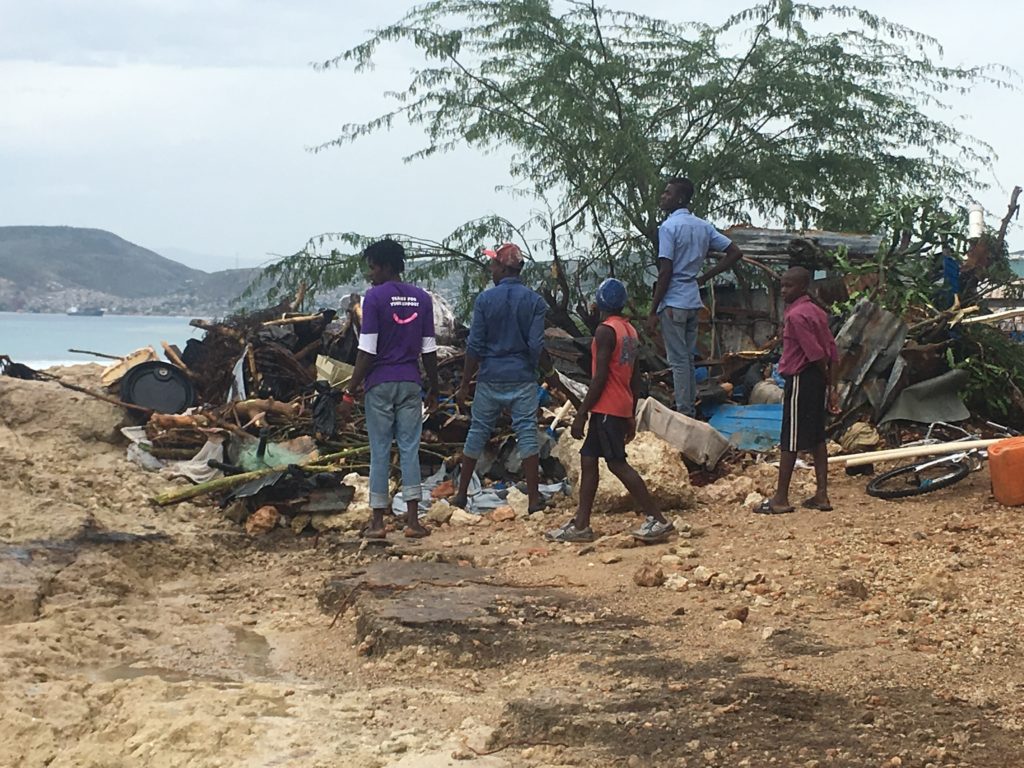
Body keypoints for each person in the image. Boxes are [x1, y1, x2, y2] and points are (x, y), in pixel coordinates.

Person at [547, 279, 675, 543]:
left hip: (606, 407)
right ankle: (581, 524)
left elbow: (600, 376)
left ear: (599, 303)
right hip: (617, 406)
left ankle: (658, 520)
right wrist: (629, 412)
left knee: (617, 463)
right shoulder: (629, 330)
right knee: (588, 459)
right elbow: (635, 376)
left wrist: (582, 413)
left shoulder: (605, 331)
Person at [340, 238, 439, 539]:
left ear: (384, 267)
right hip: (411, 381)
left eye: (372, 268)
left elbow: (367, 349)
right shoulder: (422, 298)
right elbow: (429, 349)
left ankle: (378, 523)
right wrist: (434, 386)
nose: (370, 275)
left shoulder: (374, 298)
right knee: (410, 448)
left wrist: (350, 390)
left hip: (380, 384)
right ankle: (412, 522)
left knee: (380, 450)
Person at [452, 243, 556, 514]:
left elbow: (474, 346)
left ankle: (461, 495)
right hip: (521, 376)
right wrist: (535, 370)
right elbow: (536, 345)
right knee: (527, 435)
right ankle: (534, 499)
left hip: (490, 377)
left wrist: (464, 384)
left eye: (493, 265)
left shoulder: (485, 301)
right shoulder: (534, 302)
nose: (491, 269)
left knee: (477, 432)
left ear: (501, 267)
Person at [646, 177, 745, 417]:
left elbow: (666, 270)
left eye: (667, 193)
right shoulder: (703, 226)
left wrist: (652, 310)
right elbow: (734, 252)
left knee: (678, 361)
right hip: (692, 300)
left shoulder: (668, 228)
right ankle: (690, 407)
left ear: (679, 198)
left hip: (673, 302)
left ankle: (684, 411)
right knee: (687, 360)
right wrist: (704, 277)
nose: (663, 196)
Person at [754, 266, 839, 515]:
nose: (783, 291)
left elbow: (815, 353)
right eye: (781, 285)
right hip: (816, 379)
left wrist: (825, 379)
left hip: (802, 378)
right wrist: (831, 386)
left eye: (788, 286)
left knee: (790, 438)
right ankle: (821, 494)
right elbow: (832, 351)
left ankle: (780, 498)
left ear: (802, 287)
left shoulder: (796, 316)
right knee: (816, 436)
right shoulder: (818, 312)